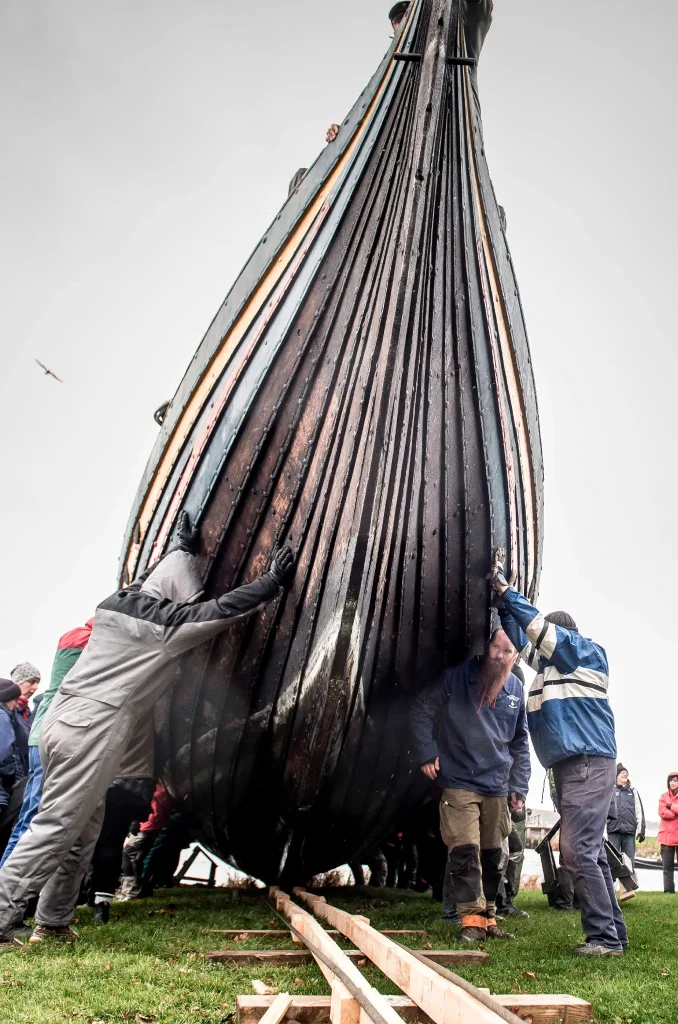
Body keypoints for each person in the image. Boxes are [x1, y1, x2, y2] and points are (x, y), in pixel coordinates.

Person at [0, 513, 294, 949]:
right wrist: (270, 583)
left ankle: (54, 921)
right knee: (58, 824)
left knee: (83, 829)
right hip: (94, 727)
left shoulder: (115, 602)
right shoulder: (162, 629)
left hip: (61, 720)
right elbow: (220, 611)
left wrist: (180, 546)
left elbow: (149, 580)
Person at [492, 566, 627, 957]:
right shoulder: (555, 668)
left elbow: (536, 630)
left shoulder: (585, 653)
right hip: (576, 767)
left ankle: (603, 938)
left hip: (585, 763)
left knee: (578, 851)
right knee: (592, 851)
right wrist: (502, 606)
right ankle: (614, 932)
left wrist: (508, 590)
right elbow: (522, 638)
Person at [411, 628, 530, 943]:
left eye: (507, 652)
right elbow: (422, 709)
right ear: (488, 644)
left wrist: (520, 786)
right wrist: (426, 752)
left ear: (515, 655)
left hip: (498, 785)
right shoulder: (456, 677)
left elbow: (520, 742)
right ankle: (472, 922)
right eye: (495, 648)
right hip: (460, 780)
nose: (499, 656)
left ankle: (488, 917)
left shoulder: (517, 689)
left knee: (493, 856)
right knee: (465, 850)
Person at [0, 625, 92, 867]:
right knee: (27, 822)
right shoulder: (9, 713)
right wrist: (12, 777)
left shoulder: (24, 712)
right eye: (31, 682)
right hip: (15, 776)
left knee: (24, 821)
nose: (33, 688)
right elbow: (6, 750)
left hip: (23, 770)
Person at [325, 3, 411, 145]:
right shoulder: (387, 72)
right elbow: (370, 109)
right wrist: (341, 133)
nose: (402, 22)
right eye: (398, 20)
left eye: (405, 17)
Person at [607, 763, 645, 868]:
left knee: (629, 864)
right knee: (611, 863)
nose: (625, 774)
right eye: (621, 772)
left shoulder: (633, 791)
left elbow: (639, 810)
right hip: (613, 831)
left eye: (626, 773)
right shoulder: (610, 791)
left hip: (629, 832)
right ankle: (611, 884)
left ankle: (627, 884)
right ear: (616, 776)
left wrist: (641, 830)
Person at [10, 663, 40, 778]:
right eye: (32, 682)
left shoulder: (25, 711)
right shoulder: (7, 710)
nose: (36, 687)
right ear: (18, 682)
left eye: (37, 683)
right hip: (12, 778)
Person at [0, 683, 22, 811]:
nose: (16, 705)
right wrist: (11, 781)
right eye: (14, 700)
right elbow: (4, 754)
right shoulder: (1, 715)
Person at [658, 772, 678, 894]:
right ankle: (668, 891)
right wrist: (674, 812)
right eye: (671, 781)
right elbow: (662, 812)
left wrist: (670, 806)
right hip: (666, 837)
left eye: (675, 780)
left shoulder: (668, 801)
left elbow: (668, 809)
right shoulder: (663, 796)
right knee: (667, 867)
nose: (673, 783)